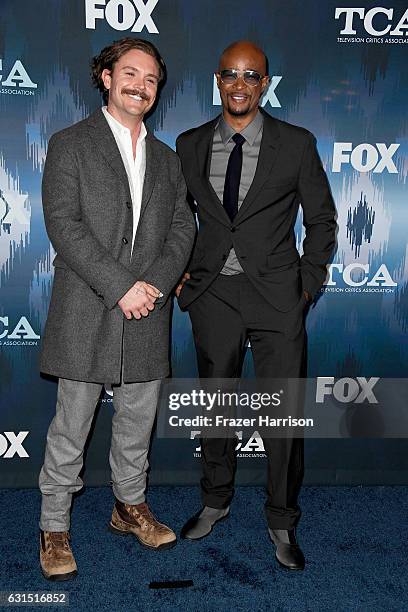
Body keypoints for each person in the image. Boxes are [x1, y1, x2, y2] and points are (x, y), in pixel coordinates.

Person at [176, 40, 336, 570]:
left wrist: (305, 286)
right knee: (216, 408)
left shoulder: (296, 143)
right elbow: (175, 220)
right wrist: (178, 274)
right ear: (217, 80)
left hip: (278, 297)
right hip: (213, 294)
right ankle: (215, 501)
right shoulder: (190, 144)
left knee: (284, 414)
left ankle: (282, 520)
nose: (239, 84)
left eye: (251, 75)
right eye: (229, 75)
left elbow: (322, 220)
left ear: (265, 83)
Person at [38, 37, 195, 581]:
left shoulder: (170, 160)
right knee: (71, 425)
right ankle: (54, 527)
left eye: (151, 79)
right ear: (105, 77)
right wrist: (121, 285)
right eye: (130, 73)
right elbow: (64, 224)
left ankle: (129, 507)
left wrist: (151, 284)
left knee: (137, 422)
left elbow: (182, 228)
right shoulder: (69, 143)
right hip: (87, 305)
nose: (141, 86)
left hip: (148, 308)